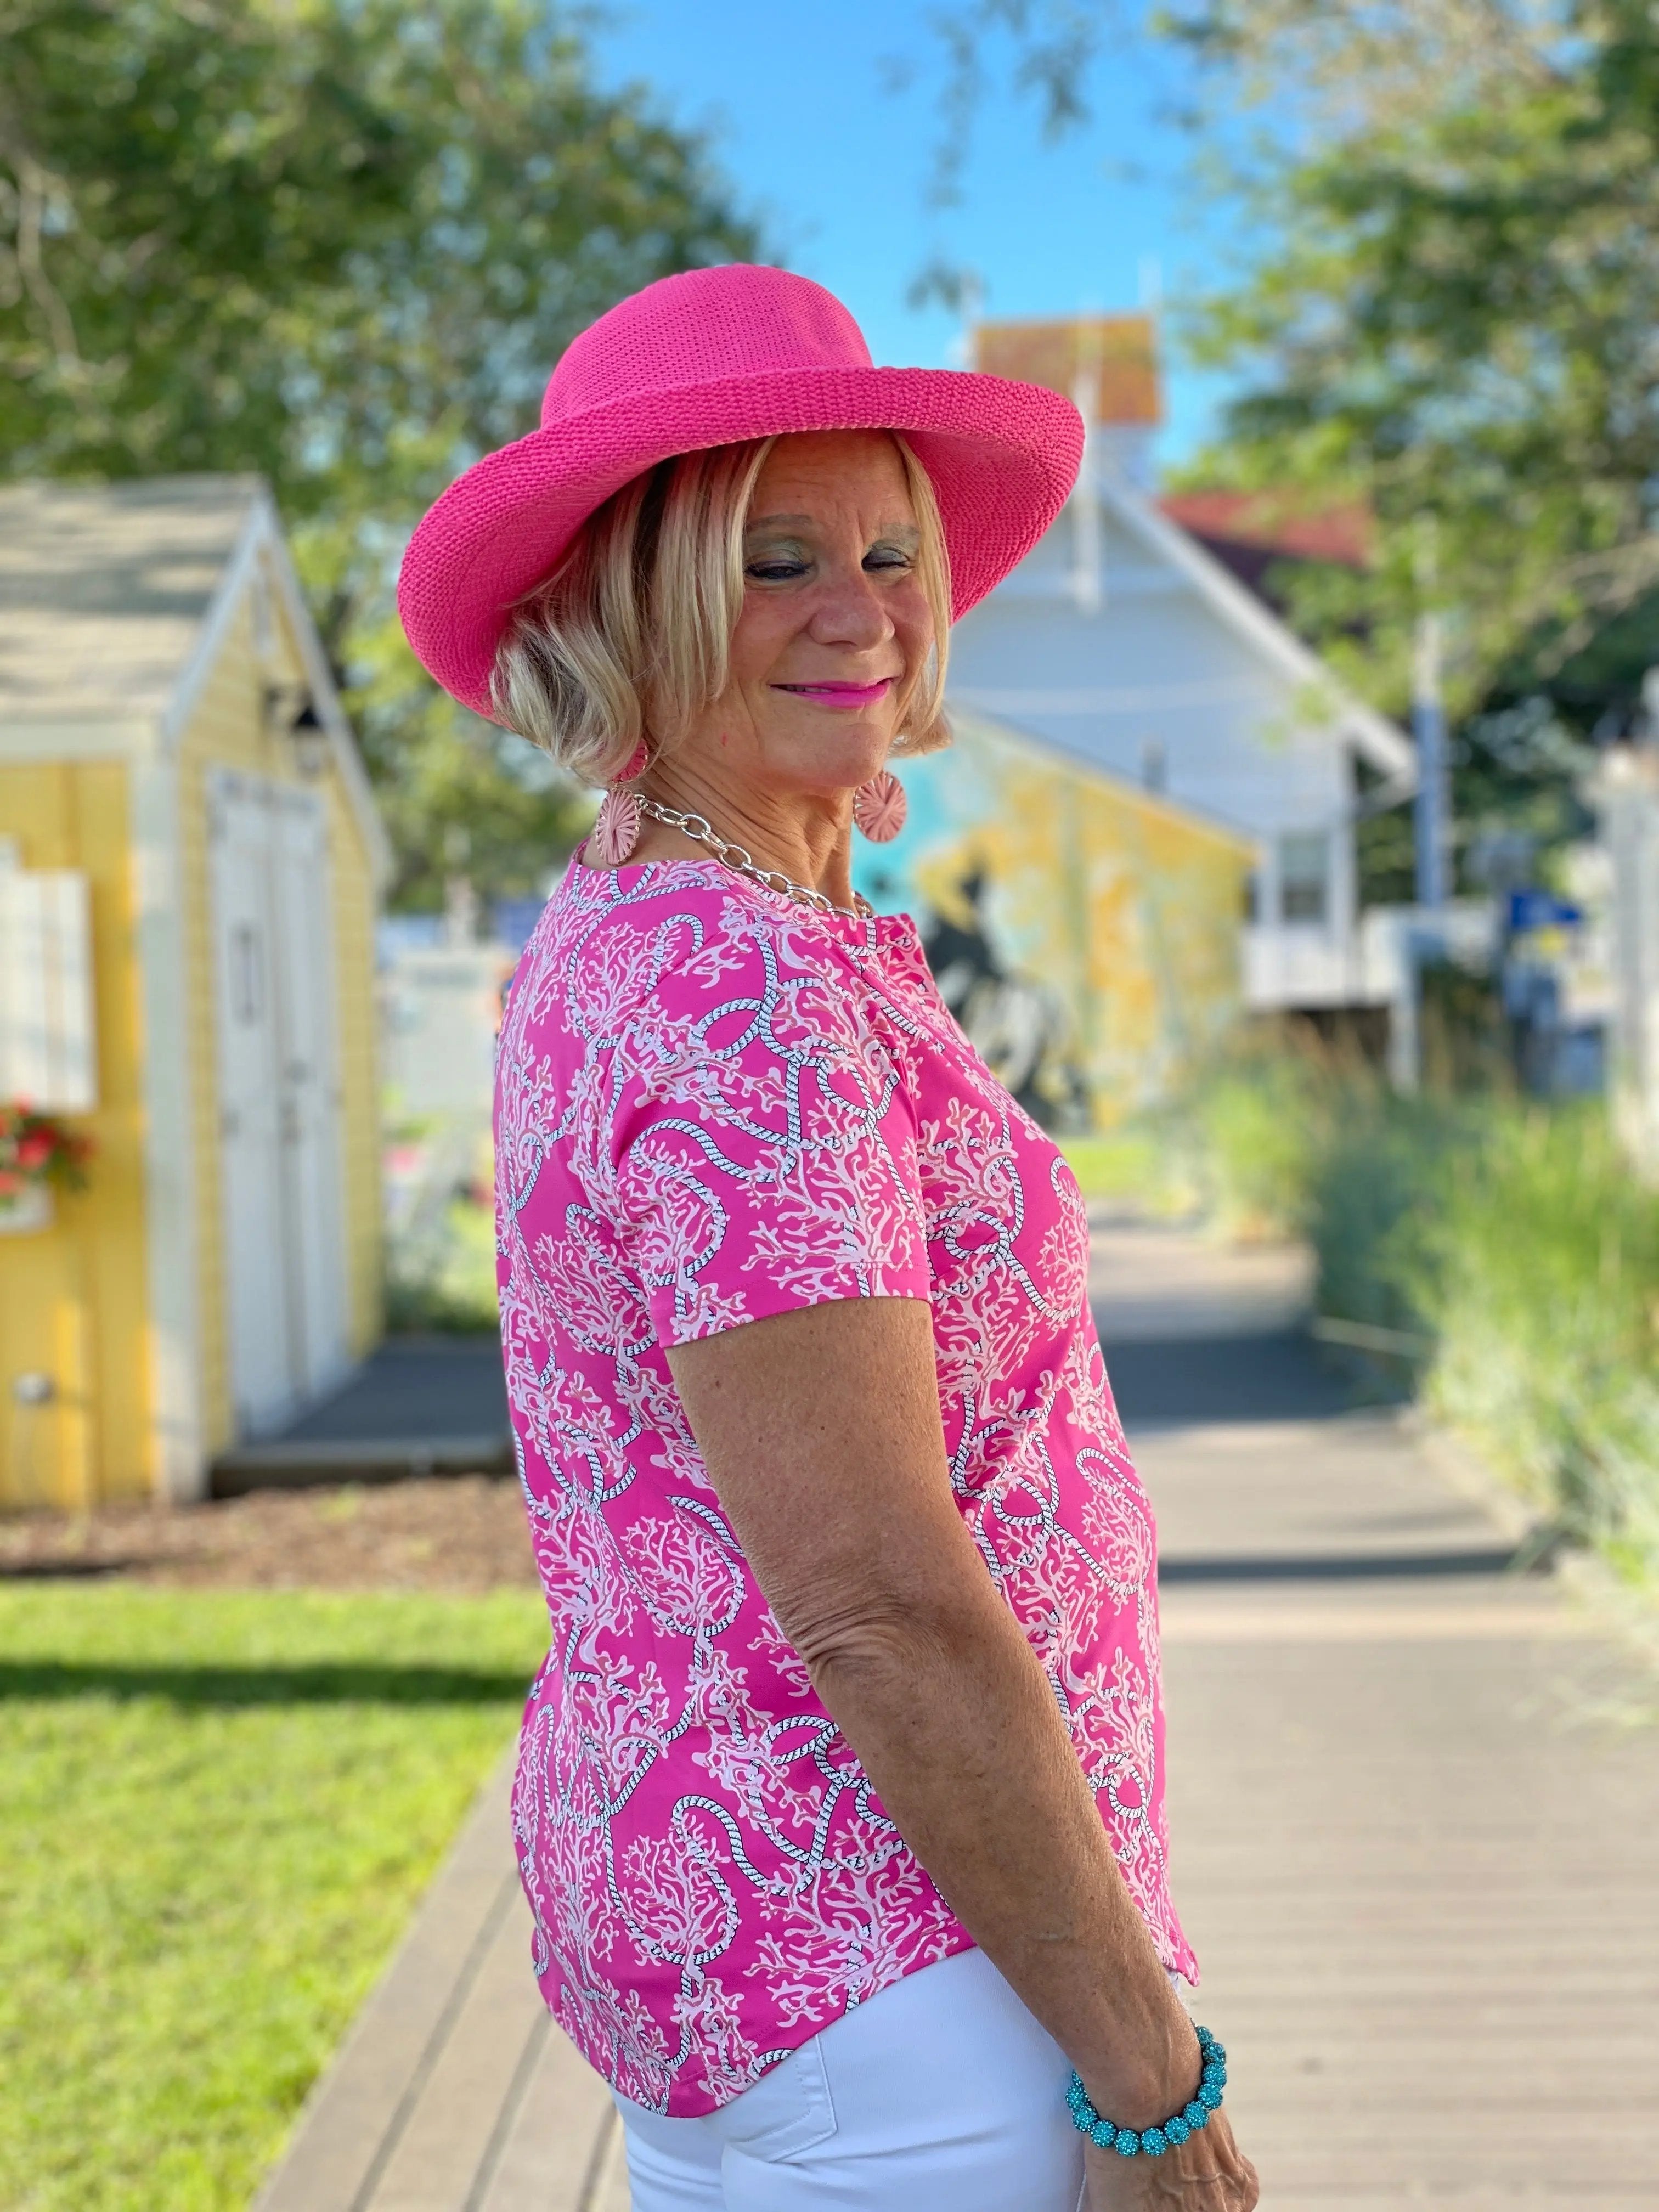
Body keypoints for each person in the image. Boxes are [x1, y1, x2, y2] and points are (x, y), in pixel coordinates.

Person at [399, 264, 1259, 2212]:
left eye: (888, 553)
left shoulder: (630, 920)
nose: (860, 610)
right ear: (630, 604)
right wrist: (1151, 2083)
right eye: (775, 561)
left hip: (755, 1934)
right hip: (899, 1946)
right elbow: (874, 1595)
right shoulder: (743, 990)